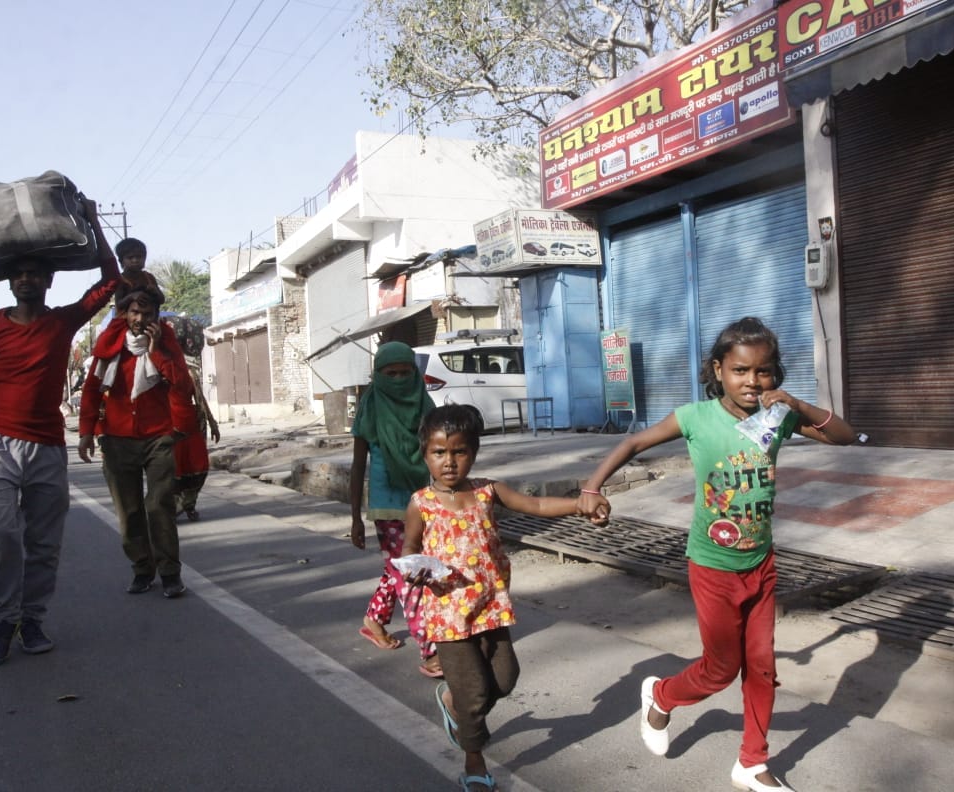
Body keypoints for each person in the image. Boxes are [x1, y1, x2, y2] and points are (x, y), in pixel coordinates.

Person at [576, 317, 857, 792]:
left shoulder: (778, 418)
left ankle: (752, 761)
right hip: (712, 566)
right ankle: (662, 695)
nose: (753, 382)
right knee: (720, 669)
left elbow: (846, 437)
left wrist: (796, 404)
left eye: (764, 372)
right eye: (741, 370)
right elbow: (634, 441)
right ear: (718, 370)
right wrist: (591, 486)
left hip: (761, 563)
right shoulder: (695, 418)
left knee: (762, 667)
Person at [0, 198, 121, 667]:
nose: (27, 279)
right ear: (10, 282)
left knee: (44, 541)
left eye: (35, 273)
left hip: (48, 447)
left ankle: (31, 618)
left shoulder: (62, 323)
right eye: (20, 274)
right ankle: (4, 618)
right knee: (0, 533)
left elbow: (111, 281)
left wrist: (93, 221)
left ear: (48, 281)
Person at [403, 404, 604, 792]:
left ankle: (453, 701)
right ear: (425, 454)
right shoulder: (420, 504)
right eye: (439, 453)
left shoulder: (487, 491)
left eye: (459, 452)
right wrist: (417, 571)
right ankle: (474, 760)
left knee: (505, 679)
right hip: (449, 617)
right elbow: (410, 551)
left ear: (473, 453)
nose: (449, 462)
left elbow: (539, 505)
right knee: (475, 692)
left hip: (491, 609)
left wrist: (580, 505)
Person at [77, 286, 196, 599]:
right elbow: (91, 389)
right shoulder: (110, 343)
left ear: (156, 316)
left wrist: (157, 350)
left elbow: (182, 385)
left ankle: (170, 572)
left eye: (146, 313)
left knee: (160, 505)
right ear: (124, 314)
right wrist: (86, 431)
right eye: (134, 312)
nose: (140, 319)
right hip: (117, 438)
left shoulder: (166, 342)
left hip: (159, 436)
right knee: (128, 510)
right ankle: (142, 569)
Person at [349, 341, 442, 677]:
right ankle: (430, 649)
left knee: (399, 567)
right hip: (387, 504)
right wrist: (355, 518)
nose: (400, 379)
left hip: (423, 497)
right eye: (392, 374)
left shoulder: (425, 403)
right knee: (412, 572)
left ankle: (374, 619)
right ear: (379, 375)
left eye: (406, 372)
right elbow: (358, 465)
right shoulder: (370, 406)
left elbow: (440, 451)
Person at [165, 317, 219, 521]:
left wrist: (212, 423)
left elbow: (199, 396)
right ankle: (174, 505)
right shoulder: (162, 364)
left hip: (193, 423)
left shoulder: (191, 368)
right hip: (170, 424)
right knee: (175, 468)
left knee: (198, 466)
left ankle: (188, 503)